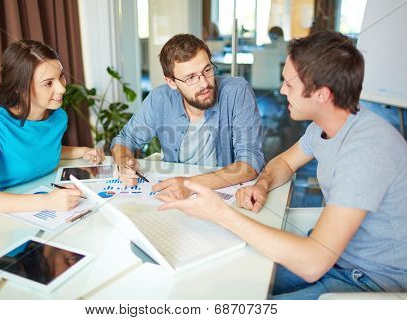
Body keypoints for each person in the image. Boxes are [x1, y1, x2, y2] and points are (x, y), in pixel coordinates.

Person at [158, 31, 407, 299]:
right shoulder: (327, 125)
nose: (281, 90)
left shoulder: (367, 151)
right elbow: (286, 162)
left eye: (289, 83)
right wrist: (263, 185)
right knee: (221, 284)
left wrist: (221, 214)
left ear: (322, 94)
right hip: (336, 256)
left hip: (369, 280)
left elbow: (312, 263)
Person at [0, 40, 105, 215]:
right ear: (21, 88)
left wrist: (80, 151)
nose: (62, 89)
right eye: (48, 83)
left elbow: (37, 149)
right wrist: (46, 201)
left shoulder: (58, 117)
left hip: (30, 211)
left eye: (60, 76)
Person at [111, 34, 264, 200]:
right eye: (191, 77)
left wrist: (188, 184)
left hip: (223, 192)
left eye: (207, 70)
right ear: (171, 82)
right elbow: (125, 139)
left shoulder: (237, 91)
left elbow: (250, 162)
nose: (205, 84)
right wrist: (124, 163)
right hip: (175, 193)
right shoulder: (159, 99)